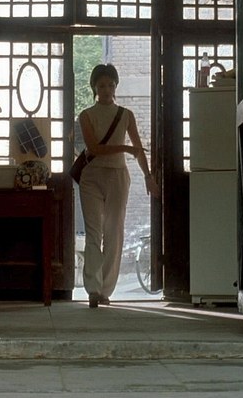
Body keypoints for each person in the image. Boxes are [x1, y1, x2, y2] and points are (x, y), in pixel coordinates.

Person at [78, 63, 160, 308]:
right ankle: (93, 289)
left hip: (117, 176)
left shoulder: (126, 115)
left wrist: (148, 176)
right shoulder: (86, 115)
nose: (106, 89)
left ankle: (105, 290)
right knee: (94, 233)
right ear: (94, 87)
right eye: (101, 85)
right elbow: (94, 148)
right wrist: (125, 148)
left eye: (111, 85)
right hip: (91, 177)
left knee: (114, 232)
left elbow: (138, 149)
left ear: (116, 86)